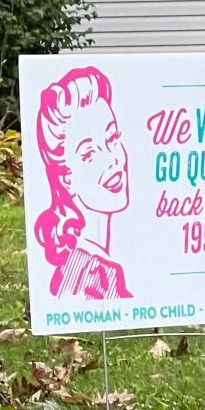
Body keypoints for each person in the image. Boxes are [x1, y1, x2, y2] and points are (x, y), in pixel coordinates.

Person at [33, 66, 134, 301]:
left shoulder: (101, 267)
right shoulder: (88, 279)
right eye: (89, 153)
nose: (112, 159)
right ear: (67, 179)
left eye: (112, 138)